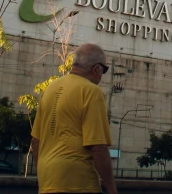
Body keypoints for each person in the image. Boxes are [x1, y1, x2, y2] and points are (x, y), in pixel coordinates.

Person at [31, 43, 117, 194]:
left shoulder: (50, 88)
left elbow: (35, 141)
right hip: (78, 181)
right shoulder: (91, 91)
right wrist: (111, 188)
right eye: (104, 70)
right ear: (96, 69)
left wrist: (43, 177)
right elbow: (98, 147)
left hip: (47, 181)